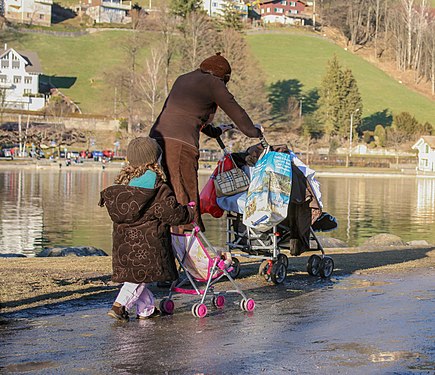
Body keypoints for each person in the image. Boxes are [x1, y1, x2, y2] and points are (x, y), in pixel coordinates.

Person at [150, 52, 263, 232]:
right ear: (223, 76)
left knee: (166, 189)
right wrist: (254, 131)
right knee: (185, 192)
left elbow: (188, 113)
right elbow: (235, 109)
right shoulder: (213, 83)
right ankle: (189, 238)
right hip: (180, 143)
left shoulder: (183, 79)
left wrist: (215, 131)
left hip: (156, 139)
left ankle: (166, 235)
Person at [99, 137, 194, 321]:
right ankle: (120, 305)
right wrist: (189, 212)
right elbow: (171, 213)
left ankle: (146, 309)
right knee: (138, 278)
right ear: (155, 160)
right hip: (149, 244)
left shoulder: (125, 186)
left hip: (124, 245)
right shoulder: (157, 188)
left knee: (139, 276)